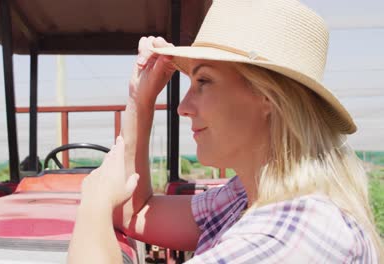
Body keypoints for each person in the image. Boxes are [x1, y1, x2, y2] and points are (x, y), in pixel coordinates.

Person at [68, 0, 383, 263]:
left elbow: (119, 210)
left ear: (268, 96)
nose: (183, 107)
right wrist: (141, 101)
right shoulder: (252, 194)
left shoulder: (288, 239)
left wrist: (94, 202)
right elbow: (134, 211)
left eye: (203, 81)